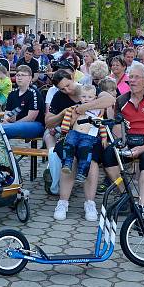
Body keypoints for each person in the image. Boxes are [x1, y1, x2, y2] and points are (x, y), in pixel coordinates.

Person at [47, 71, 116, 221]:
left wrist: (85, 107)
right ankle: (63, 202)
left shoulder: (88, 89)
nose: (67, 90)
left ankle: (89, 203)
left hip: (92, 136)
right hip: (70, 136)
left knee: (91, 160)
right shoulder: (59, 97)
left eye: (68, 85)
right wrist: (63, 114)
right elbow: (48, 122)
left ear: (73, 78)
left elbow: (109, 100)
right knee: (70, 159)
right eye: (62, 89)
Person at [103, 63, 144, 207]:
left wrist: (142, 148)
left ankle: (141, 206)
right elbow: (117, 128)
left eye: (137, 77)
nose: (132, 80)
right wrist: (120, 145)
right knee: (108, 155)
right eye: (130, 77)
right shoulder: (121, 100)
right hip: (128, 139)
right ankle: (126, 195)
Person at [61, 84, 102, 183]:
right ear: (79, 97)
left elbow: (102, 124)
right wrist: (65, 129)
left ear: (95, 98)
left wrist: (104, 137)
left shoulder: (97, 111)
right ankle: (67, 164)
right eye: (84, 97)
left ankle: (82, 172)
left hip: (88, 136)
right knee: (68, 145)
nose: (86, 99)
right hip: (74, 132)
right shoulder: (74, 108)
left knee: (85, 151)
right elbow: (68, 122)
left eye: (90, 97)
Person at [1, 65, 44, 139]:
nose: (19, 77)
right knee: (0, 129)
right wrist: (7, 119)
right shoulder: (12, 93)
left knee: (0, 129)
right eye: (18, 75)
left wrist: (12, 124)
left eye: (23, 75)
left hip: (34, 125)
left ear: (30, 78)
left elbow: (31, 117)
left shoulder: (33, 93)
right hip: (14, 125)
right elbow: (7, 113)